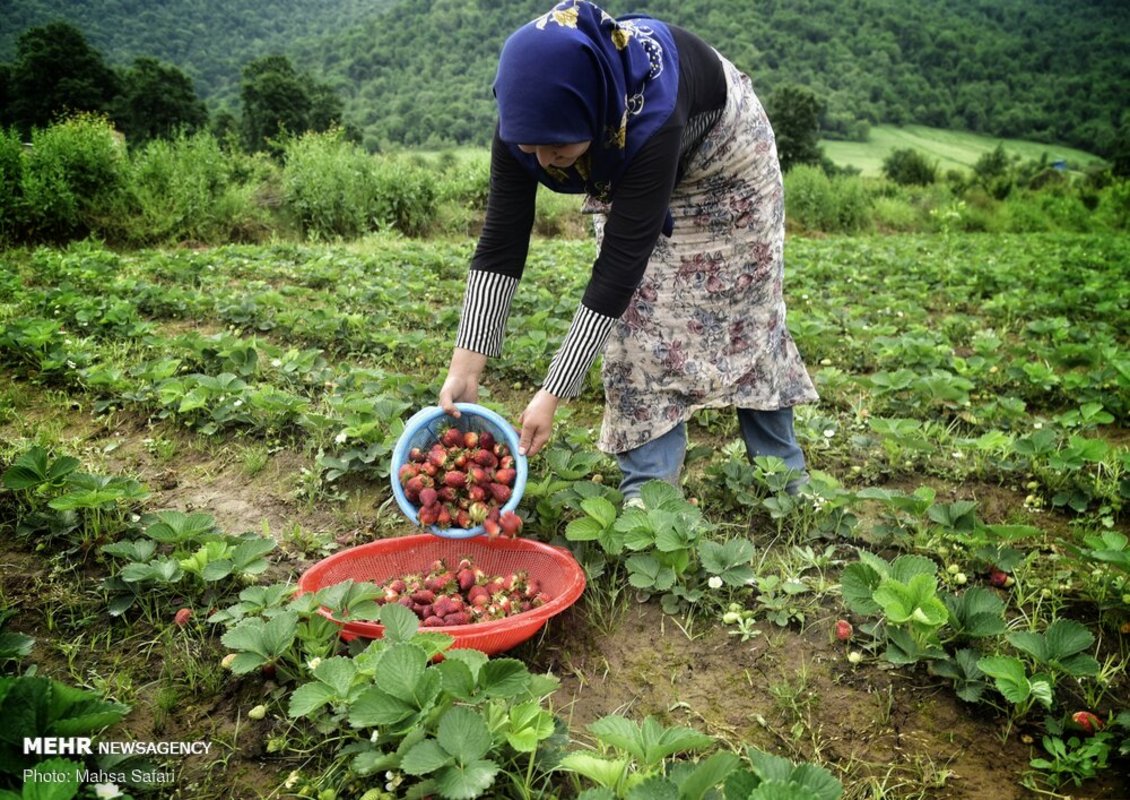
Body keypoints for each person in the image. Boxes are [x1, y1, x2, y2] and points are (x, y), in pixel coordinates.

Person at [439, 0, 819, 503]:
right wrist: (465, 370)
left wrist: (552, 394)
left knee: (748, 313)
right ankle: (650, 493)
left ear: (593, 111)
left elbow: (619, 268)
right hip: (627, 162)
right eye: (531, 149)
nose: (546, 161)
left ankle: (783, 478)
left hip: (728, 165)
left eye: (558, 147)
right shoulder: (526, 122)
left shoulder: (648, 116)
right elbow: (501, 241)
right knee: (636, 322)